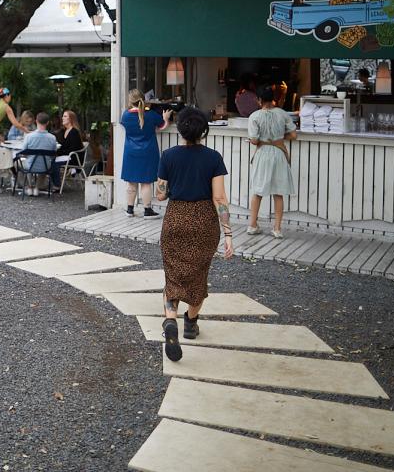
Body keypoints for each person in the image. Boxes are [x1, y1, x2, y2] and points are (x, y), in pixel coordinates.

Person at [155, 107, 234, 361]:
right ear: (204, 131)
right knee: (198, 275)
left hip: (175, 220)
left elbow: (160, 194)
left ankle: (171, 321)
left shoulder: (168, 156)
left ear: (180, 129)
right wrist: (229, 234)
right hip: (203, 222)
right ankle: (191, 322)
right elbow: (219, 198)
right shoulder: (213, 158)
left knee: (174, 276)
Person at [246, 85, 297, 239]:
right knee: (278, 191)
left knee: (258, 190)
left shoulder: (254, 116)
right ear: (273, 99)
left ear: (259, 100)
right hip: (279, 153)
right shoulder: (283, 114)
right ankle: (277, 229)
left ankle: (252, 225)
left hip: (263, 154)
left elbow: (254, 141)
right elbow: (293, 135)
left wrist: (252, 140)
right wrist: (280, 139)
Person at [120, 89, 171, 218]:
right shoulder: (151, 115)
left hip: (130, 152)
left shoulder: (125, 115)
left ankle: (130, 209)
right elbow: (162, 126)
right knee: (146, 182)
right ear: (143, 99)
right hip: (148, 151)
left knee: (131, 182)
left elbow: (125, 126)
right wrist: (166, 118)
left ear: (130, 101)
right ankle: (147, 210)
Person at [19, 111, 57, 195]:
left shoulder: (29, 136)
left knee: (21, 162)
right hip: (45, 167)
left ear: (36, 121)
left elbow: (23, 152)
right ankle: (36, 188)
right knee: (44, 162)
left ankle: (28, 186)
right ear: (47, 123)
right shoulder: (53, 138)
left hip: (30, 166)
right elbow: (53, 154)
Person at [54, 109, 84, 186]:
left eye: (65, 116)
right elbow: (63, 147)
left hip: (73, 158)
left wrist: (58, 153)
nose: (62, 118)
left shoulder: (74, 132)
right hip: (66, 156)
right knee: (50, 159)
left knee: (52, 162)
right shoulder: (64, 131)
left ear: (70, 119)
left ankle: (57, 185)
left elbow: (73, 149)